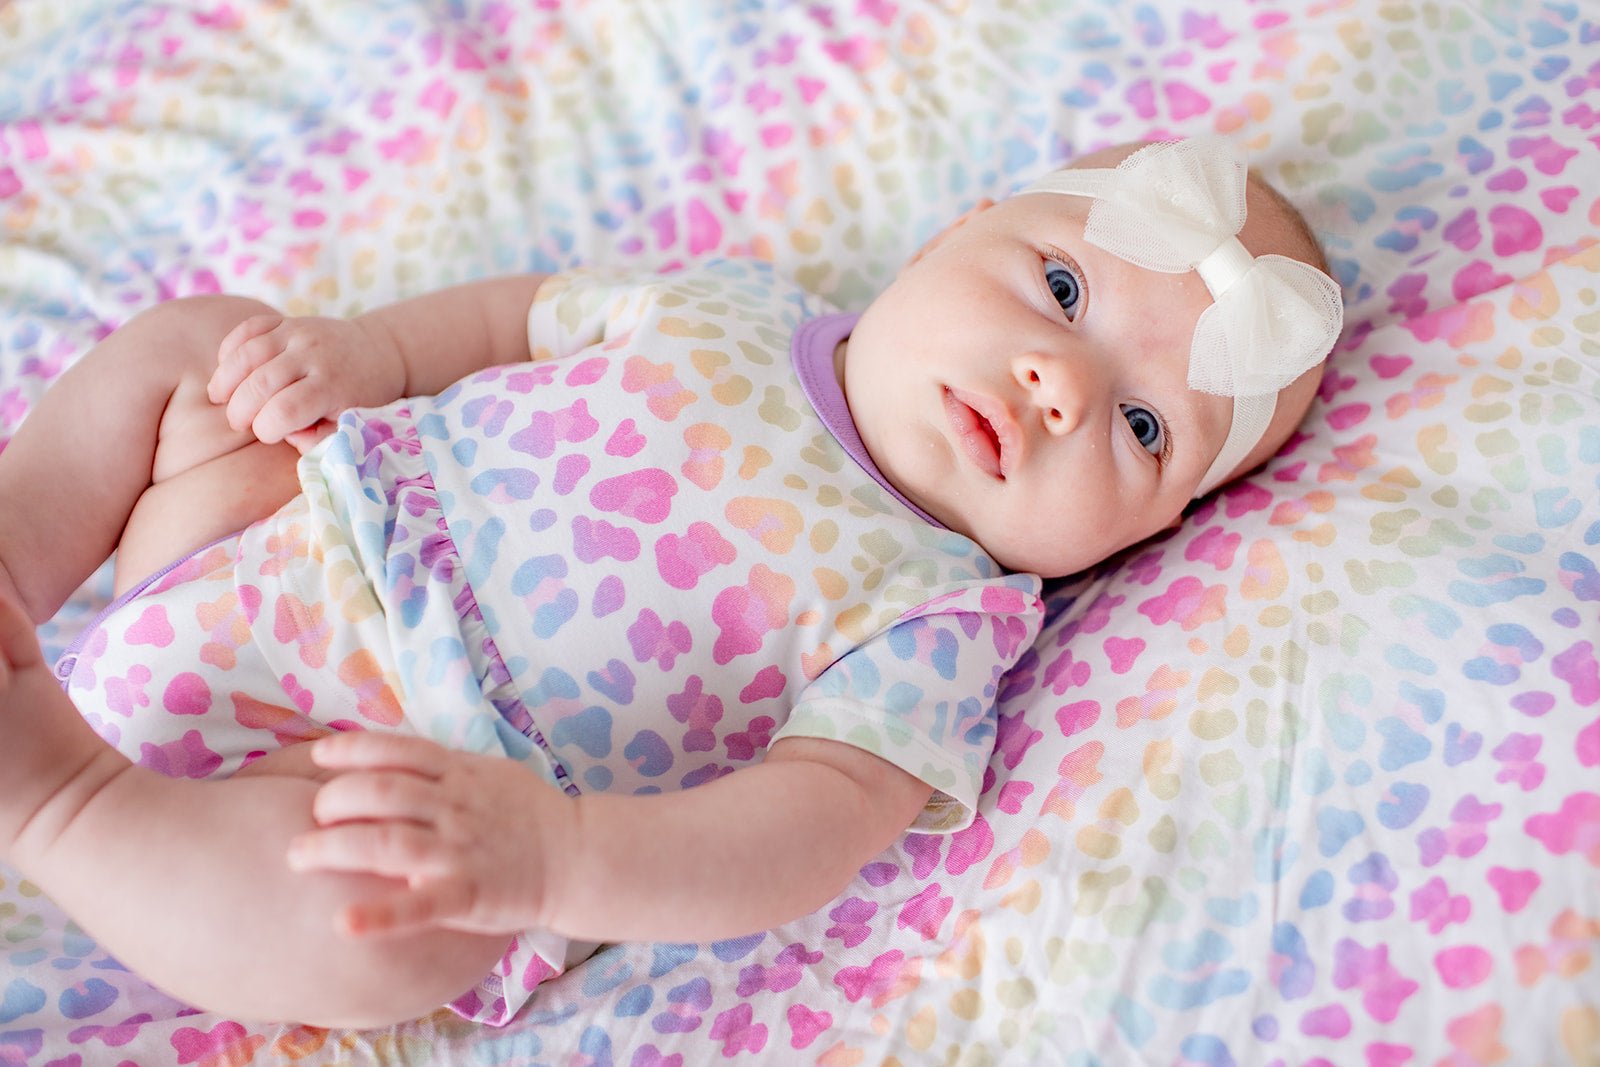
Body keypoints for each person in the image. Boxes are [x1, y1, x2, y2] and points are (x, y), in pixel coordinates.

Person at [0, 137, 1343, 1028]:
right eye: (1059, 286)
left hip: (362, 786)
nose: (1062, 385)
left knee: (399, 936)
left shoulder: (939, 619)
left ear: (1153, 532)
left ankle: (54, 797)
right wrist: (359, 355)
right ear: (960, 226)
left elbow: (798, 830)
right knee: (213, 349)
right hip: (272, 523)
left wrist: (553, 858)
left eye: (1144, 427)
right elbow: (511, 320)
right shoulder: (733, 306)